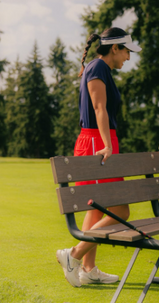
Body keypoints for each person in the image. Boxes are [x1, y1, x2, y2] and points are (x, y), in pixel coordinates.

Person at [56, 28, 142, 287]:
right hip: (96, 141)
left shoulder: (99, 69)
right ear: (114, 48)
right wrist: (106, 145)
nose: (128, 57)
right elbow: (99, 107)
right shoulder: (98, 68)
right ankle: (73, 255)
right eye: (126, 51)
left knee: (97, 208)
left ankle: (89, 269)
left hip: (101, 140)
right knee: (120, 208)